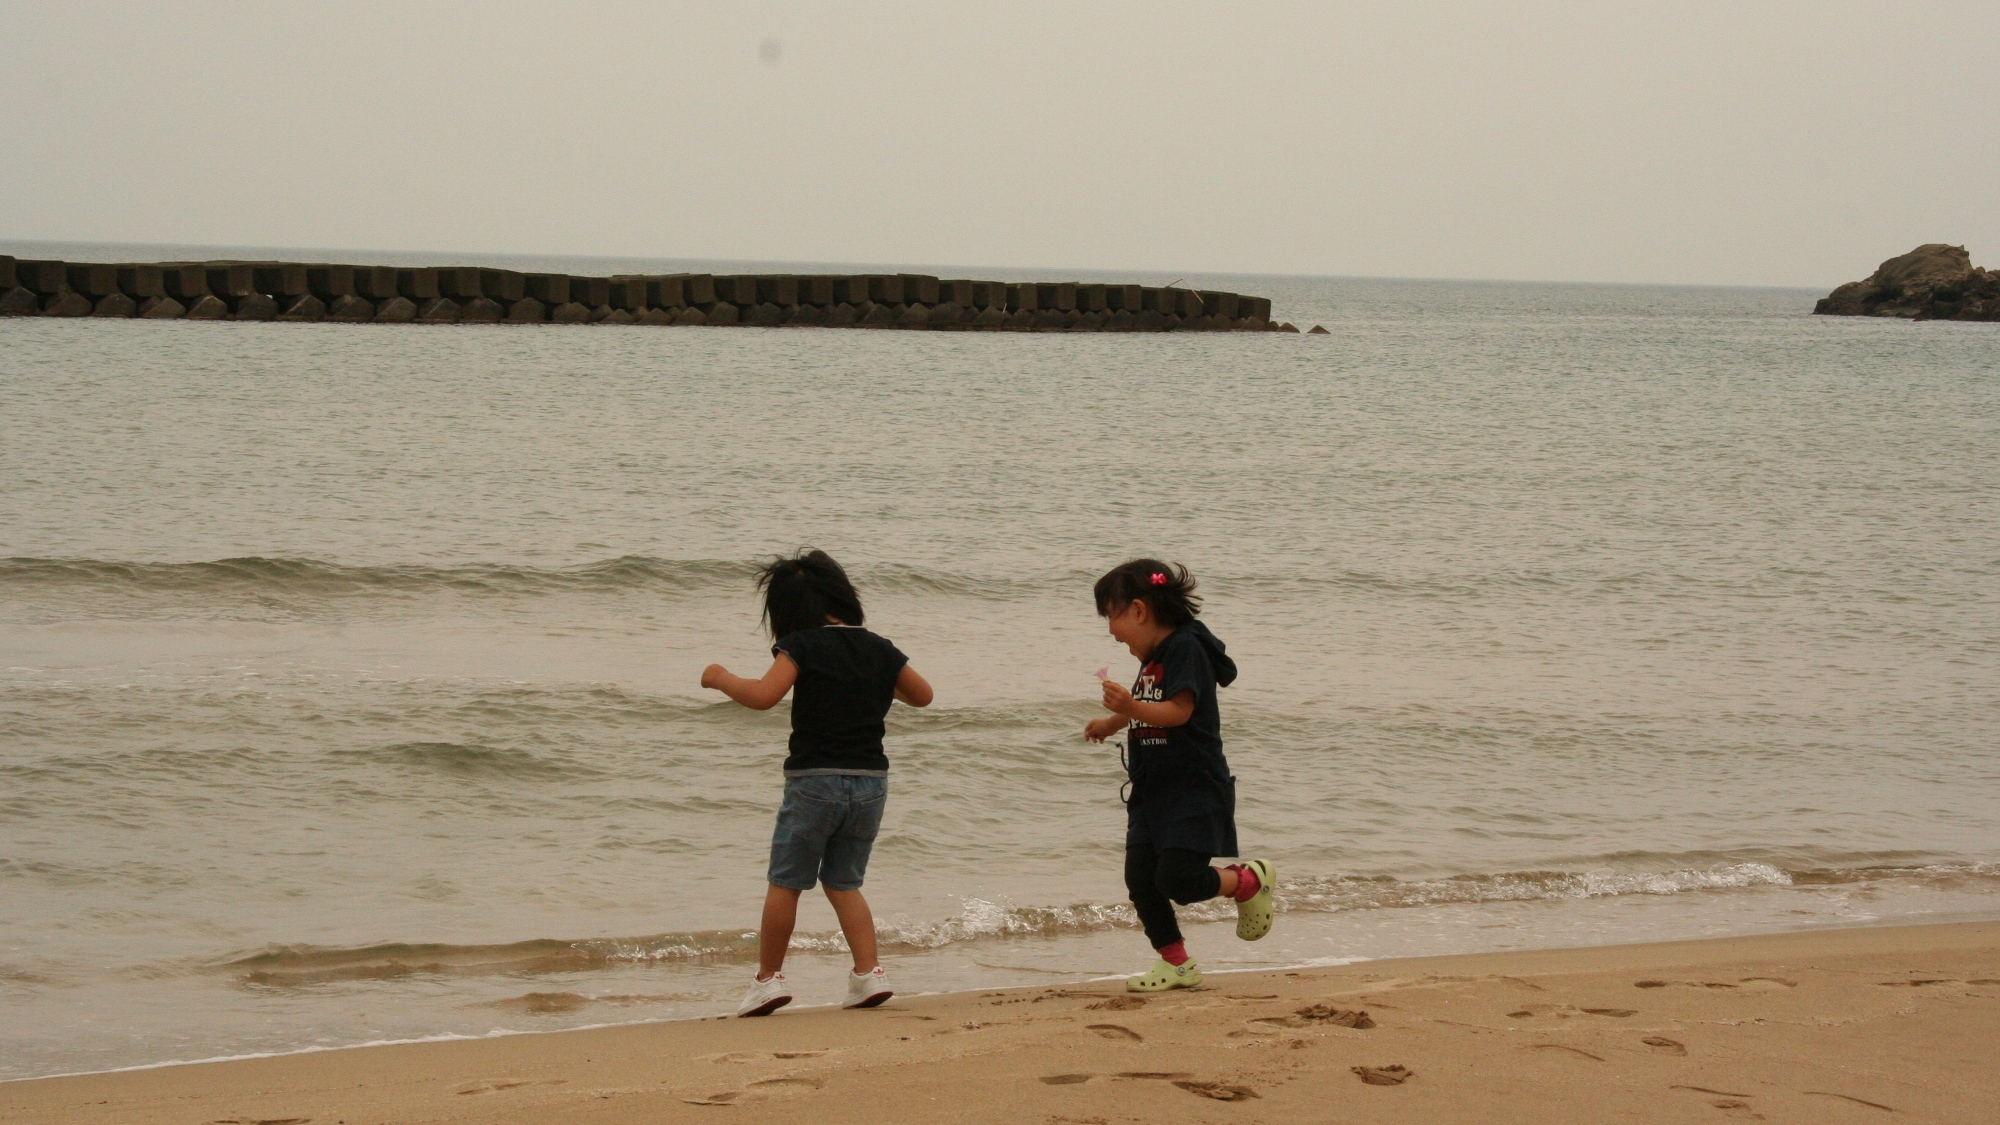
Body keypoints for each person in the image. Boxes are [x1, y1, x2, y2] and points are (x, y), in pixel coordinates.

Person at [701, 549, 933, 1016]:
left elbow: (764, 696)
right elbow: (922, 696)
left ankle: (768, 980)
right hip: (871, 784)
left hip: (814, 781)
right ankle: (869, 974)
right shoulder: (878, 647)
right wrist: (869, 677)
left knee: (786, 881)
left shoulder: (802, 645)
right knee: (844, 882)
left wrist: (722, 678)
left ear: (787, 611)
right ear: (844, 595)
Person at [1084, 559, 1273, 992]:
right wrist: (1113, 722)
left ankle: (1248, 882)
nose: (1110, 630)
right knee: (1140, 880)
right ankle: (1177, 964)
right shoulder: (1154, 658)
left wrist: (1127, 710)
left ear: (1137, 610)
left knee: (1178, 881)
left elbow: (1179, 711)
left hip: (1192, 787)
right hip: (1152, 789)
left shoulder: (1185, 649)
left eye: (1110, 617)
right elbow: (1149, 703)